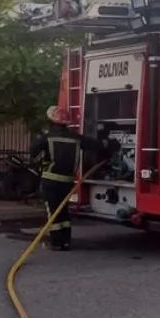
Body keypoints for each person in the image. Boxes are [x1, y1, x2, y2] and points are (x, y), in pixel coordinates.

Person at [29, 106, 119, 251]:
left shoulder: (47, 138)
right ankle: (66, 241)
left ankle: (57, 243)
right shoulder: (76, 138)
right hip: (67, 182)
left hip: (50, 181)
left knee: (53, 212)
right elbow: (98, 146)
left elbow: (33, 151)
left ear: (51, 122)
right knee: (63, 211)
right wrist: (111, 145)